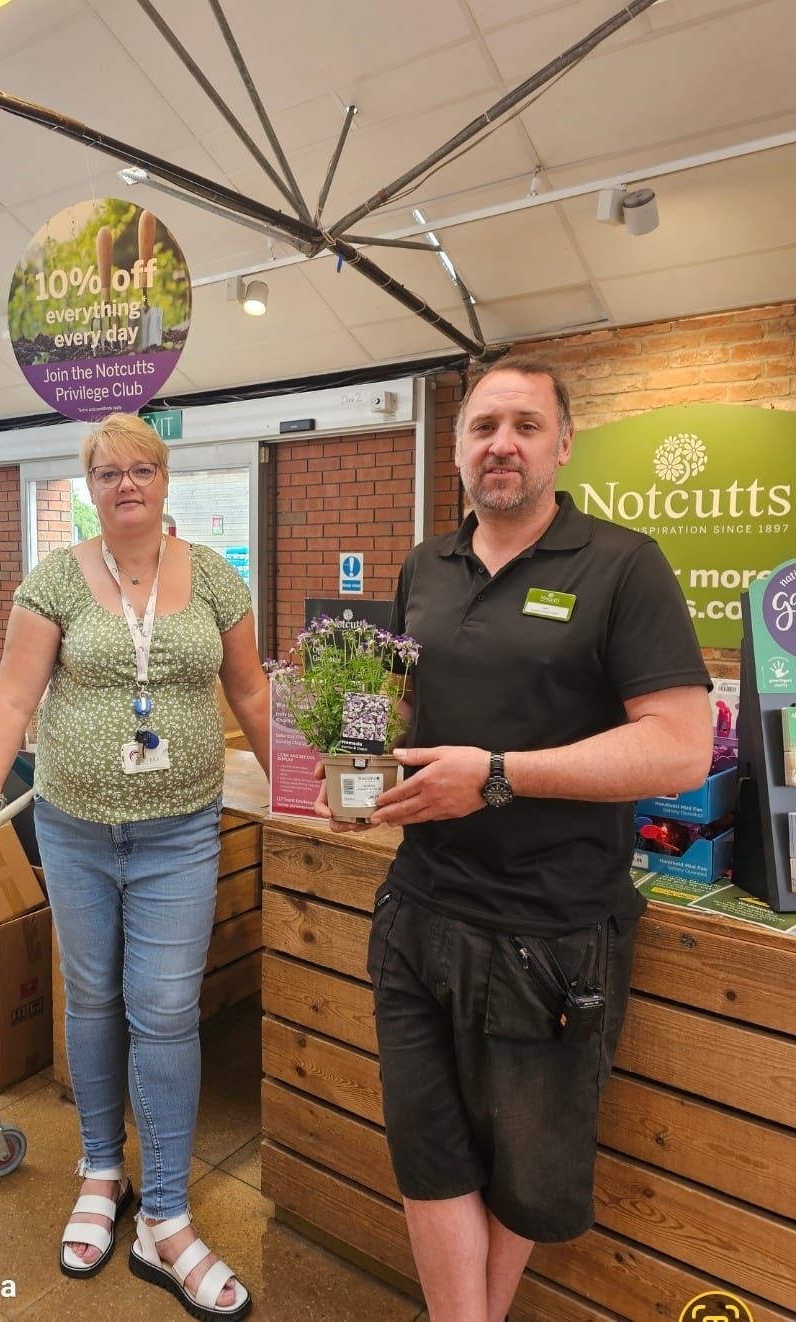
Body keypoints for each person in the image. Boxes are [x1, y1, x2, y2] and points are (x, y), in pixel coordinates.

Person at [316, 358, 712, 1322]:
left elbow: (680, 747)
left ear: (562, 444)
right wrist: (347, 759)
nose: (503, 443)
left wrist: (497, 775)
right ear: (456, 448)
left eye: (526, 426)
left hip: (551, 932)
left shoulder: (624, 564)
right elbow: (405, 705)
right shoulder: (424, 566)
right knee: (427, 1151)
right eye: (484, 425)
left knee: (525, 1176)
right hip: (417, 912)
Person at [0, 412, 268, 1321]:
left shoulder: (210, 575)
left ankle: (166, 1214)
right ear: (90, 488)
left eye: (142, 469)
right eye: (107, 472)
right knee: (90, 999)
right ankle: (101, 1171)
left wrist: (301, 785)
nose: (126, 484)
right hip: (76, 829)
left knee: (163, 1010)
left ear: (166, 480)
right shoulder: (56, 578)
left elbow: (249, 688)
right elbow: (11, 694)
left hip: (179, 832)